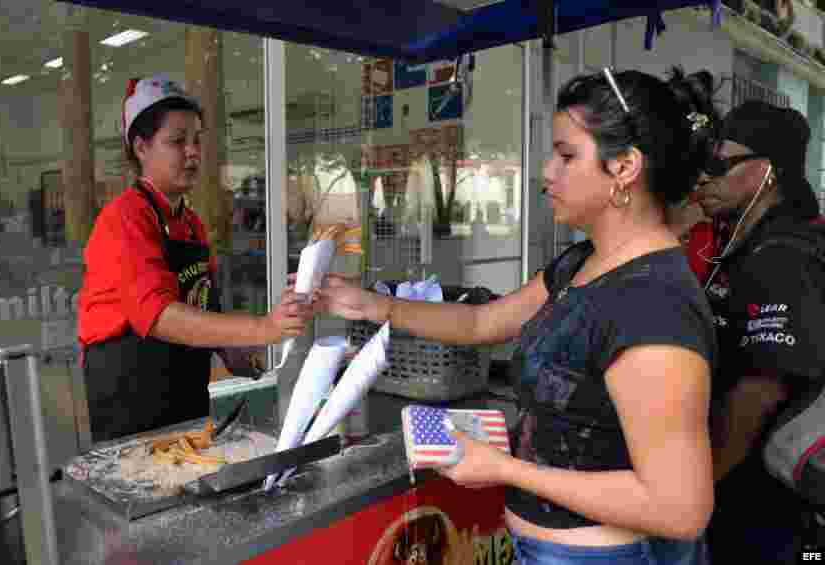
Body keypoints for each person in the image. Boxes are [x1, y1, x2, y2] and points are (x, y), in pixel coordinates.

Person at [313, 67, 721, 565]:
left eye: (567, 155)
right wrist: (376, 306)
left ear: (624, 168)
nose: (547, 172)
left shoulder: (654, 305)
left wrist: (506, 469)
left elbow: (679, 508)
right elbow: (483, 324)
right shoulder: (582, 263)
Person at [77, 74, 309, 442]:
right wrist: (264, 327)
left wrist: (229, 350)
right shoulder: (124, 219)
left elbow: (201, 298)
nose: (193, 152)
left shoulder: (190, 222)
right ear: (141, 147)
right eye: (177, 141)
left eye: (197, 140)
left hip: (185, 387)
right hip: (131, 396)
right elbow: (158, 315)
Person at [685, 100, 825, 564]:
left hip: (764, 501)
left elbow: (760, 391)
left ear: (766, 170)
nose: (705, 177)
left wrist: (699, 488)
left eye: (720, 164)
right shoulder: (743, 244)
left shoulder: (780, 256)